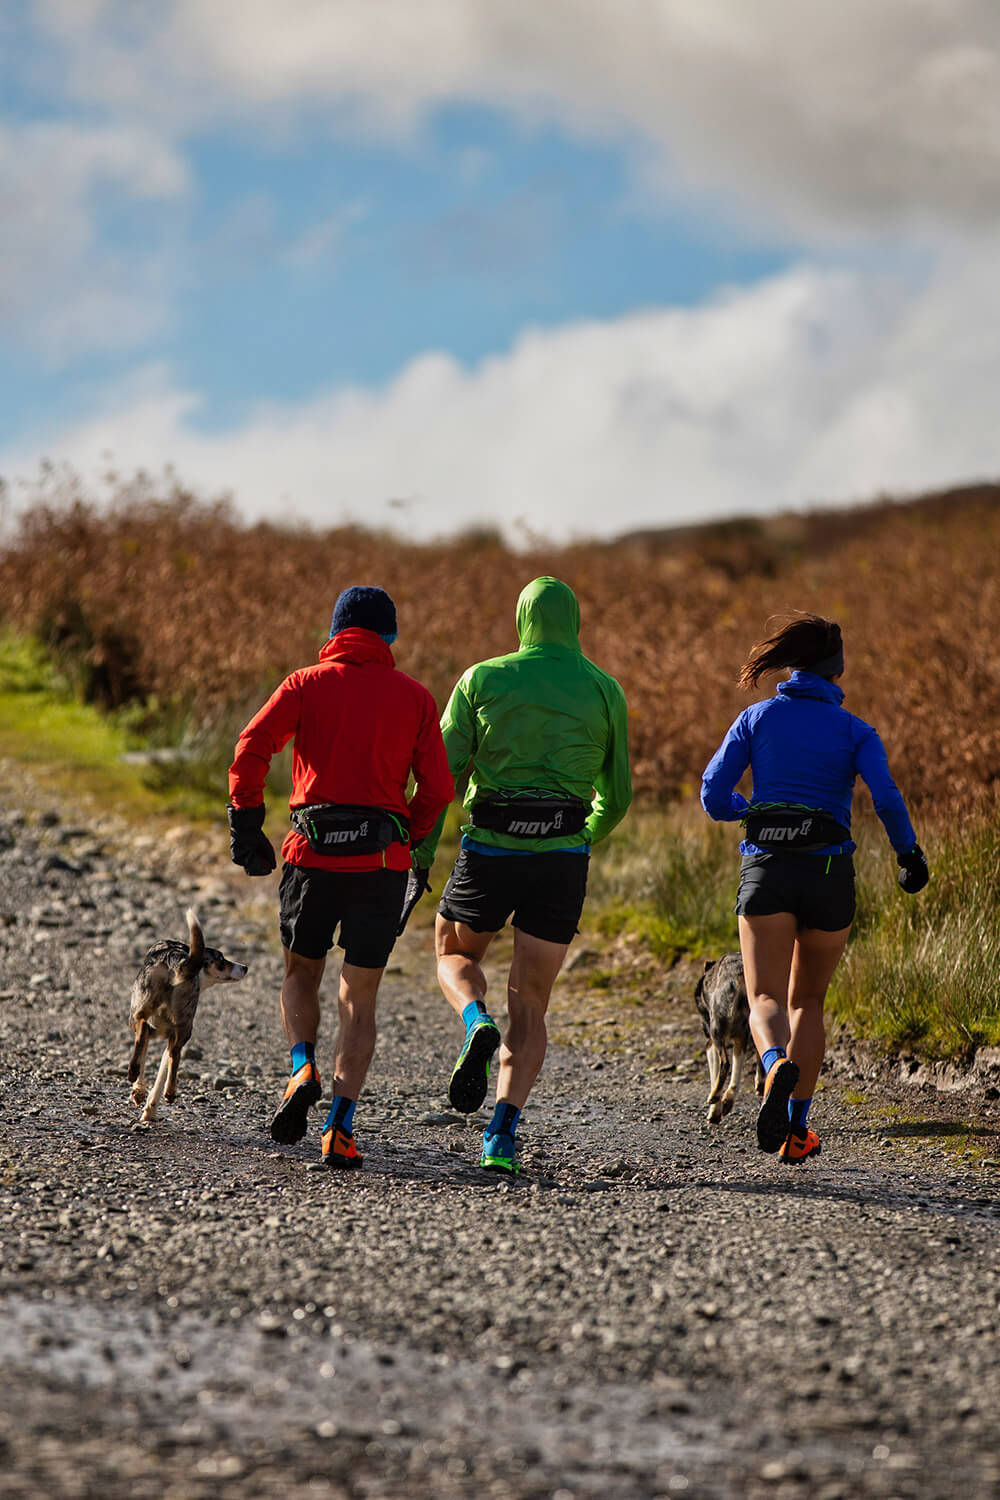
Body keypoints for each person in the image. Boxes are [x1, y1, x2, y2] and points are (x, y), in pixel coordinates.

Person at [409, 576, 632, 1175]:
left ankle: (475, 1022)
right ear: (575, 622)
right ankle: (501, 1136)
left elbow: (442, 778)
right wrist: (582, 836)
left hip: (491, 851)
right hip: (560, 858)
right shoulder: (604, 688)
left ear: (522, 620)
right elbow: (620, 794)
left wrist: (420, 853)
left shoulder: (482, 678)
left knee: (452, 953)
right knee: (531, 1000)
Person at [227, 585, 454, 1169]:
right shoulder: (416, 698)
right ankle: (340, 1129)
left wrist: (246, 824)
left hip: (311, 857)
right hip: (380, 866)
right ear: (390, 639)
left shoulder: (305, 684)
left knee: (301, 972)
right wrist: (412, 834)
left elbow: (252, 746)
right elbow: (438, 789)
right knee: (361, 996)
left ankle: (302, 1066)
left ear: (334, 633)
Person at [701, 613, 928, 1162]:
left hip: (768, 869)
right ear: (837, 670)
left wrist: (748, 810)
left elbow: (713, 792)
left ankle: (774, 1063)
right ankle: (797, 1130)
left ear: (792, 665)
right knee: (809, 1001)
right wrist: (909, 855)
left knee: (764, 998)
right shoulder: (856, 730)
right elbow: (887, 798)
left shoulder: (755, 718)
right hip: (830, 875)